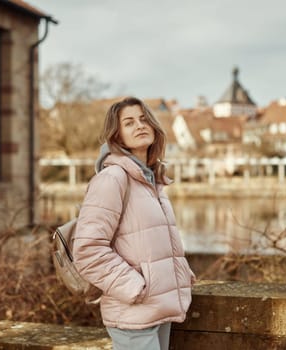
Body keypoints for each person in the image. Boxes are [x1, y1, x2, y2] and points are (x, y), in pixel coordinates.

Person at [73, 96, 195, 350]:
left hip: (160, 306)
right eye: (129, 123)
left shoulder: (152, 180)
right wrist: (135, 287)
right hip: (133, 312)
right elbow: (87, 251)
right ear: (116, 136)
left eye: (143, 119)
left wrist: (179, 274)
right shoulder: (112, 178)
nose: (140, 125)